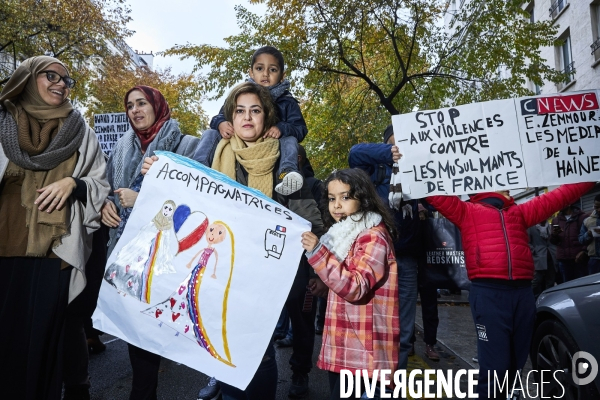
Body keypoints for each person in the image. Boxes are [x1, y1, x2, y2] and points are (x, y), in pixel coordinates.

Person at [143, 82, 324, 400]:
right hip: (220, 273)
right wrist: (159, 171)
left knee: (258, 354)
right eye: (239, 111)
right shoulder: (214, 151)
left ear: (267, 117)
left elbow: (308, 216)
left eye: (256, 110)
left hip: (263, 279)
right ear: (229, 116)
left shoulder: (287, 161)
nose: (247, 117)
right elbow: (185, 190)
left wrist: (314, 268)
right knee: (224, 347)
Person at [0, 55, 109, 400]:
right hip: (3, 253)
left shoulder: (81, 132)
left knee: (45, 345)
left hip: (54, 254)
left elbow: (100, 185)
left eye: (66, 80)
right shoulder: (2, 123)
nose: (61, 84)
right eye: (52, 76)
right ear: (28, 78)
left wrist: (73, 185)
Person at [425, 183, 595, 399]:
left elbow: (561, 195)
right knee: (494, 366)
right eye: (502, 184)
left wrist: (591, 174)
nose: (509, 187)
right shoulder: (466, 211)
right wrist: (401, 157)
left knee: (515, 363)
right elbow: (430, 191)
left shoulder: (519, 212)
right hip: (489, 294)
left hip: (522, 293)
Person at [101, 85, 201, 400]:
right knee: (135, 332)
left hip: (168, 257)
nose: (135, 110)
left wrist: (142, 197)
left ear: (157, 106)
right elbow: (109, 189)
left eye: (141, 103)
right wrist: (107, 205)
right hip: (127, 255)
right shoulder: (119, 148)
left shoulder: (188, 145)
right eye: (129, 105)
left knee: (156, 330)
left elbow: (197, 204)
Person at [301, 168, 399, 400]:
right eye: (332, 198)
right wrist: (325, 288)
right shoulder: (345, 235)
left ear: (363, 198)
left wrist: (318, 253)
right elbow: (347, 281)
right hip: (346, 347)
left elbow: (355, 287)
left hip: (364, 352)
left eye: (345, 197)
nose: (337, 205)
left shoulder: (373, 236)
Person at [348, 125, 420, 372]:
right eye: (395, 142)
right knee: (374, 325)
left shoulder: (418, 171)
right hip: (377, 259)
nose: (401, 146)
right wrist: (389, 153)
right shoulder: (376, 169)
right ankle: (372, 381)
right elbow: (354, 154)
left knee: (404, 332)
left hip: (407, 259)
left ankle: (393, 386)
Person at [195, 45, 307, 196]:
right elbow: (219, 116)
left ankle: (286, 174)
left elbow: (300, 128)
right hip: (239, 141)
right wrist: (221, 123)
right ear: (251, 72)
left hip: (271, 145)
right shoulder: (239, 95)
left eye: (273, 70)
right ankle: (198, 167)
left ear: (282, 76)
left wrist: (282, 128)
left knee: (290, 140)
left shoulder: (287, 101)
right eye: (260, 68)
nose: (265, 74)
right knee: (210, 133)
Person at [550, 202, 589, 282]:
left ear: (568, 204)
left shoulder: (582, 217)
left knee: (582, 284)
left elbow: (588, 236)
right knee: (567, 285)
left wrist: (584, 251)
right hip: (563, 259)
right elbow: (553, 242)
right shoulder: (556, 220)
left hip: (579, 258)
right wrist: (554, 235)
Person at [528, 220, 557, 297]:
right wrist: (534, 251)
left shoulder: (551, 226)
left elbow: (556, 241)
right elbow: (527, 241)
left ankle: (547, 299)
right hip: (538, 259)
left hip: (551, 258)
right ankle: (535, 300)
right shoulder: (531, 227)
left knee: (550, 282)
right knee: (536, 282)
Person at [579, 194, 600, 275]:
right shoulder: (587, 220)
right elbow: (581, 240)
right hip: (594, 260)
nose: (599, 210)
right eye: (596, 207)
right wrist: (588, 234)